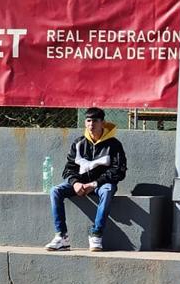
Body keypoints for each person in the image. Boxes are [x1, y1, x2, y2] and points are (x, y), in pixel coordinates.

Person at [45, 107, 128, 252]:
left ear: (103, 123)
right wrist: (75, 183)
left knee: (108, 189)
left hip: (101, 185)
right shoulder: (78, 143)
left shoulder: (114, 144)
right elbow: (68, 169)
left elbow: (119, 171)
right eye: (88, 121)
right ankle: (62, 237)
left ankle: (96, 234)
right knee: (55, 191)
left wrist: (95, 184)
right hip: (80, 185)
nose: (91, 124)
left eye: (95, 121)